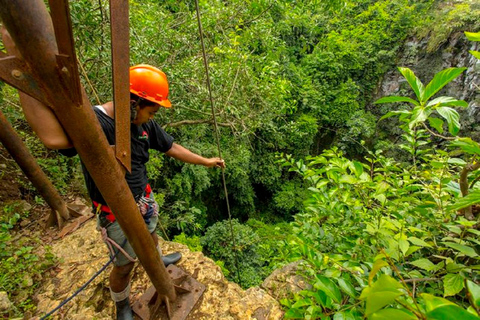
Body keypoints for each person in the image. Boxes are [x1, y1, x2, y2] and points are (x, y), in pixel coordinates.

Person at [1, 29, 225, 320]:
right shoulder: (94, 123)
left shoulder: (142, 124)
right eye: (152, 111)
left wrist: (206, 161)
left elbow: (171, 147)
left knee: (152, 233)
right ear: (133, 103)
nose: (152, 117)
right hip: (114, 210)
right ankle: (121, 303)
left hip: (142, 196)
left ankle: (156, 259)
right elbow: (52, 138)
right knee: (123, 265)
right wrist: (21, 73)